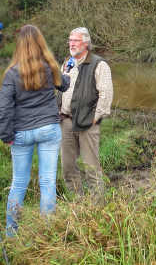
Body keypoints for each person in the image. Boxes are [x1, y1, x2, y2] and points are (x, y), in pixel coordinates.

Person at [0, 25, 69, 236]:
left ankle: (12, 232)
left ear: (19, 45)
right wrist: (67, 74)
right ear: (40, 43)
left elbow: (4, 108)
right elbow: (64, 84)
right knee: (47, 181)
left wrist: (6, 135)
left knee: (18, 182)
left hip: (22, 131)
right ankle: (46, 232)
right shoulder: (50, 66)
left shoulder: (12, 73)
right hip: (48, 128)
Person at [59, 27, 113, 199]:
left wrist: (95, 118)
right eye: (70, 40)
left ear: (86, 43)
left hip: (88, 123)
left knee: (91, 168)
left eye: (75, 40)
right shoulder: (67, 63)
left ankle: (97, 208)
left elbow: (106, 94)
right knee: (68, 167)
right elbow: (60, 88)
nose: (71, 43)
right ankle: (77, 203)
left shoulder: (99, 64)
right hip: (66, 122)